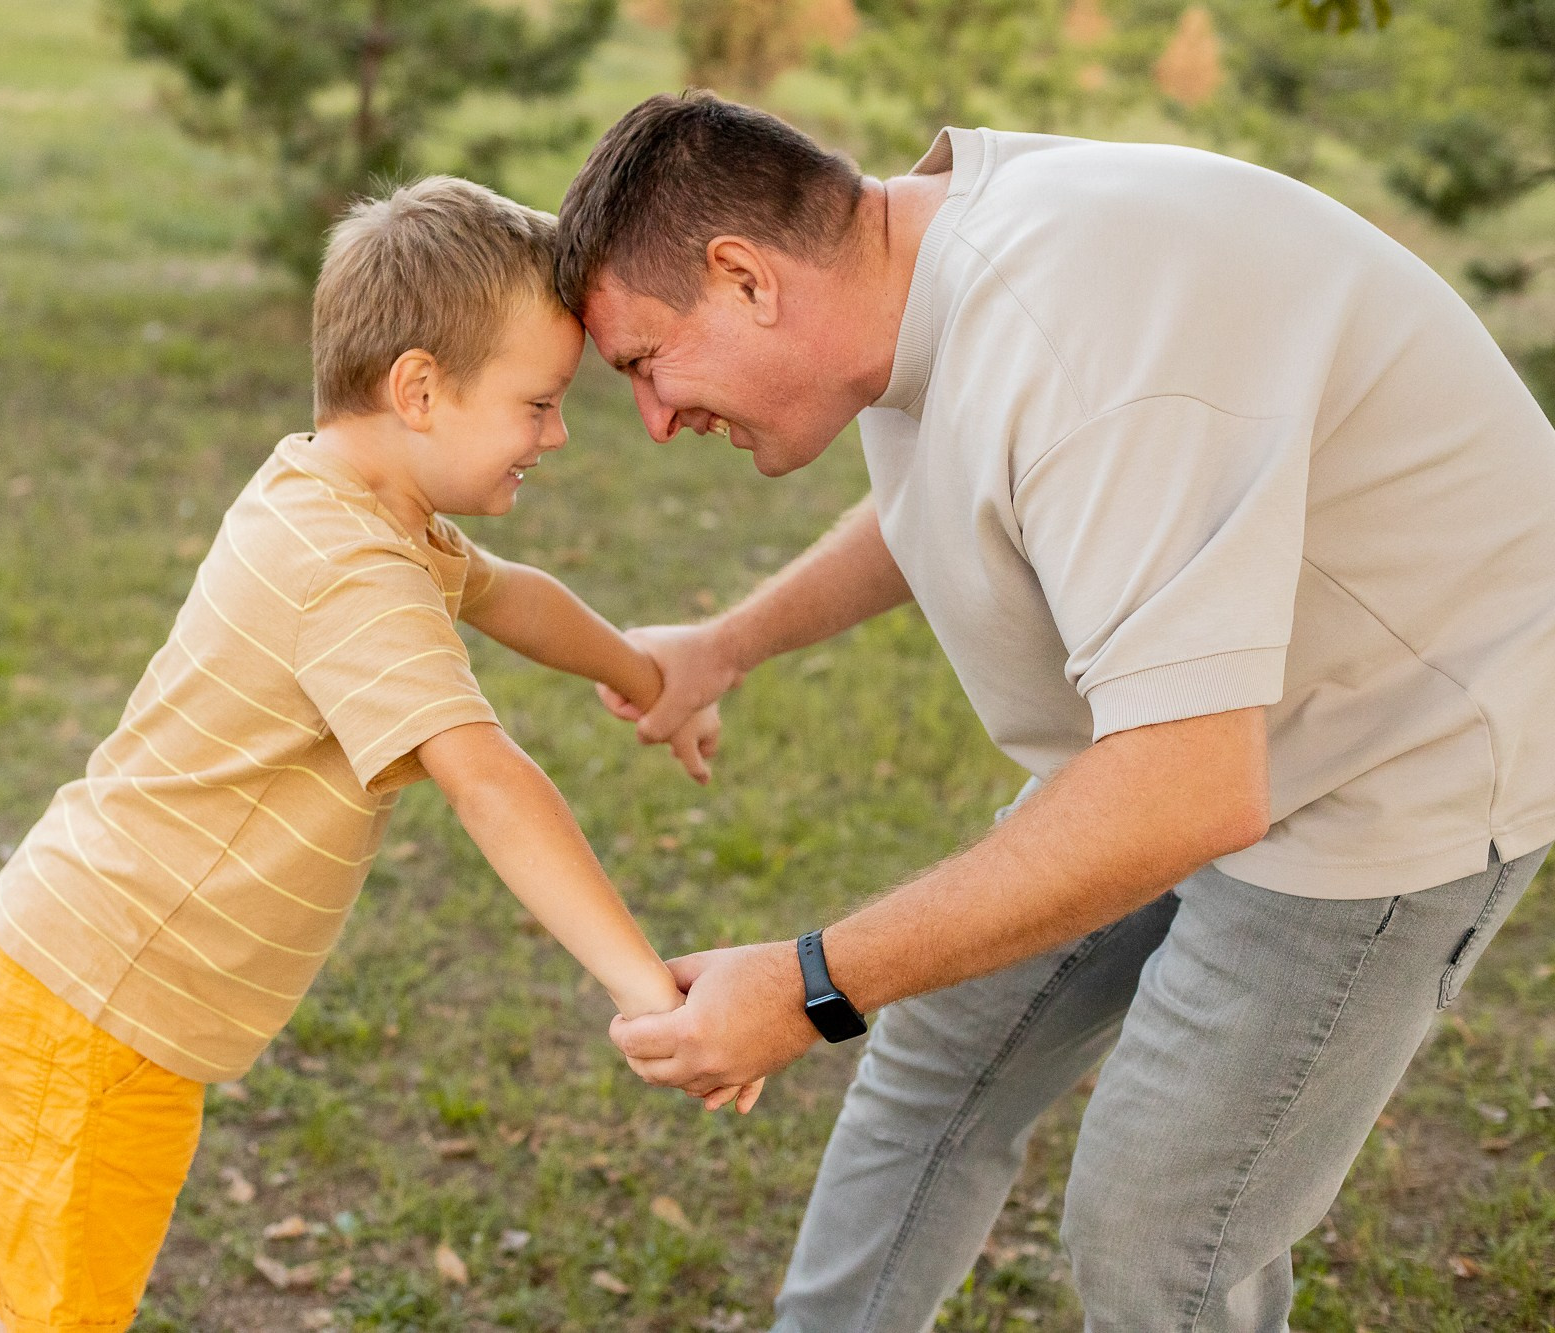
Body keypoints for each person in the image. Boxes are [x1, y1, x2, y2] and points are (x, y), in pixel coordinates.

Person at [554, 93, 1555, 1331]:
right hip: (1181, 714)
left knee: (1159, 1230)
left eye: (645, 363)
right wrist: (725, 643)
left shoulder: (1075, 331)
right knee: (935, 1058)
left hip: (1400, 747)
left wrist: (809, 983)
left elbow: (1187, 790)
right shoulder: (911, 276)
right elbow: (988, 470)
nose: (653, 422)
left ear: (744, 276)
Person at [0, 175, 752, 1333]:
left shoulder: (355, 502)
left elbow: (508, 599)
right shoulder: (349, 572)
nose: (556, 432)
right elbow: (486, 779)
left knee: (33, 1224)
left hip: (99, 973)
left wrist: (647, 674)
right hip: (113, 992)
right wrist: (651, 994)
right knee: (60, 1298)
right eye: (539, 402)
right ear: (419, 388)